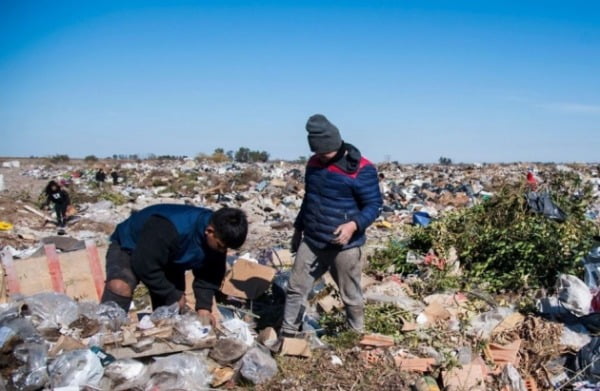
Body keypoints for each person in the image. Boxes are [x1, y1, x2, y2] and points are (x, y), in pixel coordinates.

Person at [282, 114, 383, 336]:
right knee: (295, 288)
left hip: (345, 246)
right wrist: (298, 230)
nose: (322, 157)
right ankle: (288, 335)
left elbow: (374, 205)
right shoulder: (314, 163)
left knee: (350, 295)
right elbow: (309, 199)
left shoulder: (361, 169)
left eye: (325, 152)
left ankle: (355, 336)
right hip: (313, 240)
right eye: (318, 153)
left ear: (337, 144)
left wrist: (353, 225)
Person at [100, 204, 248, 325]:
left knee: (173, 309)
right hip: (131, 246)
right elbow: (144, 265)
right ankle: (106, 333)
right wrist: (172, 293)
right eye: (221, 246)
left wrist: (204, 308)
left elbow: (208, 277)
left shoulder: (218, 240)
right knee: (120, 286)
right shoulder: (169, 228)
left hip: (171, 259)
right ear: (209, 231)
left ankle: (160, 342)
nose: (223, 251)